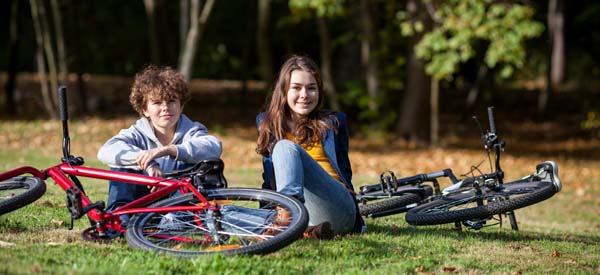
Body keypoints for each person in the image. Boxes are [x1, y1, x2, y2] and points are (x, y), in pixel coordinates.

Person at [256, 55, 365, 239]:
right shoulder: (267, 124)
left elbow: (345, 174)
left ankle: (289, 221)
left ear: (319, 91)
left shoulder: (333, 122)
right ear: (284, 91)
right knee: (224, 213)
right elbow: (269, 179)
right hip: (304, 213)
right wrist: (267, 213)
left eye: (311, 88)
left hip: (335, 207)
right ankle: (307, 230)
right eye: (296, 88)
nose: (304, 95)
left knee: (284, 147)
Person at [97, 65, 222, 214]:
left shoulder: (192, 130)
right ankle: (119, 216)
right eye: (157, 102)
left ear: (181, 106)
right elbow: (106, 151)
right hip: (142, 201)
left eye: (171, 101)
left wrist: (168, 150)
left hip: (178, 206)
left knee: (198, 165)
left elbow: (214, 147)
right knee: (121, 164)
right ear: (145, 110)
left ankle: (174, 222)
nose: (165, 108)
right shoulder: (136, 132)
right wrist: (148, 163)